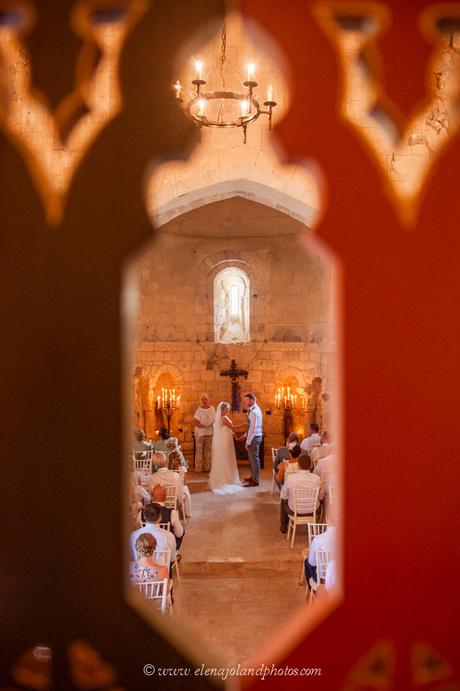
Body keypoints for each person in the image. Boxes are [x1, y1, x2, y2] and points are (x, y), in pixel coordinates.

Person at [208, 402, 246, 495]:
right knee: (226, 458)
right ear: (222, 409)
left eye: (228, 409)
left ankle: (227, 476)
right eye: (227, 409)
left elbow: (228, 428)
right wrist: (245, 424)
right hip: (225, 441)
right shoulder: (223, 418)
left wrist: (234, 435)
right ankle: (226, 478)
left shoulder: (221, 417)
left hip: (226, 438)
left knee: (226, 458)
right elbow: (232, 426)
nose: (228, 410)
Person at [280, 454, 322, 533]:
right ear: (310, 466)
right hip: (313, 511)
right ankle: (317, 525)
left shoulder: (291, 478)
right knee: (320, 500)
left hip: (294, 510)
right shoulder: (316, 478)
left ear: (298, 465)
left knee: (283, 500)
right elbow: (321, 496)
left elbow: (283, 495)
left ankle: (283, 526)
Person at [149, 484, 184, 549]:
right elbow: (179, 534)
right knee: (182, 531)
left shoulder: (142, 512)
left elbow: (140, 528)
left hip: (147, 546)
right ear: (165, 497)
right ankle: (174, 554)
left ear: (151, 495)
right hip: (166, 547)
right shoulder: (171, 513)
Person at [240, 393, 263, 487]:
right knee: (252, 459)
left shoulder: (254, 411)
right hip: (254, 437)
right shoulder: (254, 410)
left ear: (252, 400)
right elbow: (250, 427)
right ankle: (253, 477)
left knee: (254, 459)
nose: (245, 402)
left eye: (246, 400)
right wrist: (245, 435)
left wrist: (248, 442)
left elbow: (253, 428)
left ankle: (255, 480)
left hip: (254, 438)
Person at [193, 394, 215, 473]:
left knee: (208, 451)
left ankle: (207, 467)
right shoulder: (199, 410)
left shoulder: (212, 408)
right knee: (199, 451)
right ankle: (198, 468)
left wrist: (209, 424)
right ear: (201, 401)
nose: (204, 401)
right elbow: (196, 423)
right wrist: (204, 425)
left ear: (208, 400)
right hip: (200, 433)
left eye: (206, 399)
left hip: (209, 432)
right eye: (203, 399)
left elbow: (214, 419)